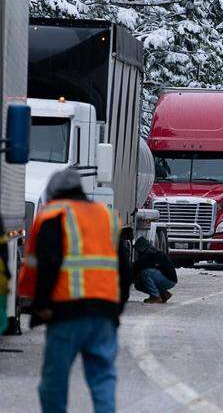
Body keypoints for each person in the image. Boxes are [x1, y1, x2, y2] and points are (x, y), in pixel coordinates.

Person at [17, 168, 129, 413]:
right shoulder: (107, 217)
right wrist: (117, 308)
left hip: (67, 312)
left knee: (54, 382)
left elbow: (47, 262)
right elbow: (123, 266)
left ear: (54, 193)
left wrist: (42, 304)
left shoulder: (54, 215)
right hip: (104, 313)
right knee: (103, 377)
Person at [132, 236, 177, 304]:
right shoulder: (152, 251)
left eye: (138, 250)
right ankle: (164, 294)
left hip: (168, 279)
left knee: (145, 272)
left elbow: (137, 266)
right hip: (169, 279)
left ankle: (155, 297)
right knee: (139, 284)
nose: (137, 252)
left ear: (141, 248)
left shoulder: (149, 254)